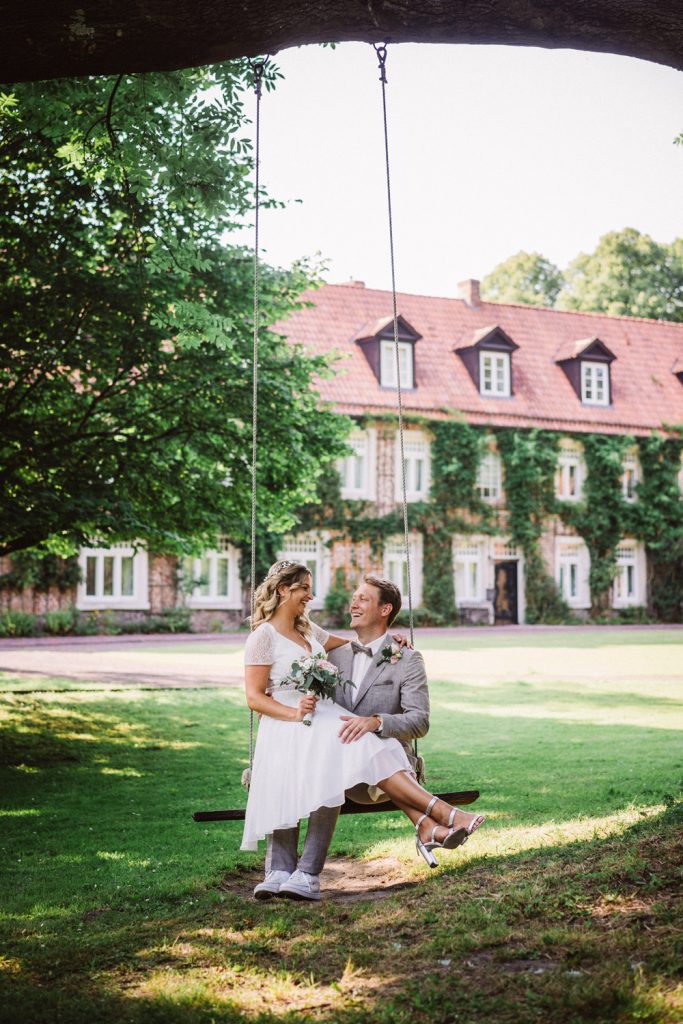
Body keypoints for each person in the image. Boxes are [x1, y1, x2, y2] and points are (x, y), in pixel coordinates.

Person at [242, 560, 484, 901]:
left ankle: (308, 873)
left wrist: (391, 644)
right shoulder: (277, 640)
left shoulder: (321, 635)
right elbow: (254, 695)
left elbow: (416, 717)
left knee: (341, 755)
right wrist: (292, 712)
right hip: (296, 725)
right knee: (323, 759)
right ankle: (436, 819)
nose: (312, 596)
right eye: (305, 589)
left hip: (330, 735)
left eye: (362, 599)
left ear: (384, 610)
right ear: (283, 590)